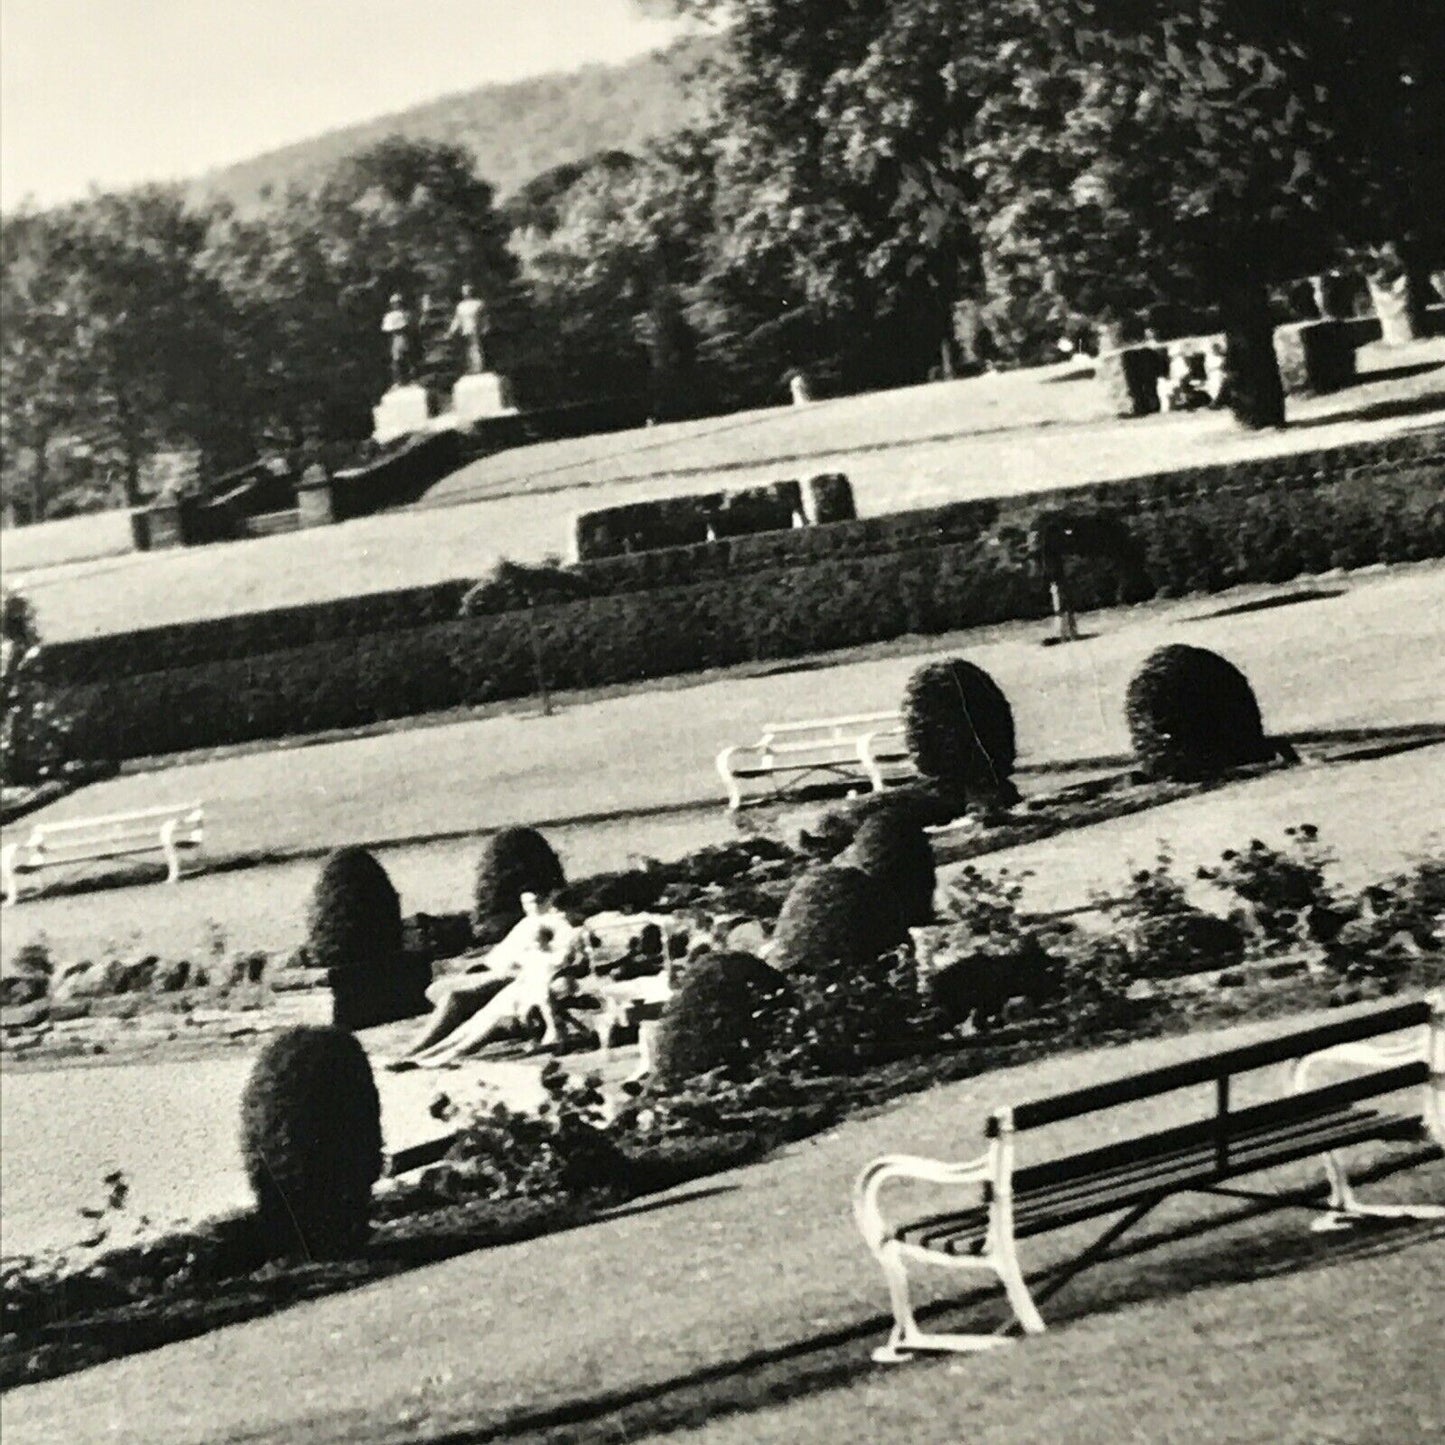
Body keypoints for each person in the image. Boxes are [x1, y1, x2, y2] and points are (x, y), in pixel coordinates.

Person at [388, 895, 580, 1068]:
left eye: (536, 901)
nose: (530, 907)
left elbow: (564, 962)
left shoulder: (561, 927)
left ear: (549, 899)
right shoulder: (528, 924)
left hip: (521, 981)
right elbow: (498, 959)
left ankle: (422, 1055)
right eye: (526, 903)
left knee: (464, 1008)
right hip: (506, 977)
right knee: (448, 997)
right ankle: (419, 1053)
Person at [447, 282, 487, 374]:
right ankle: (470, 367)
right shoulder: (460, 306)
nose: (466, 292)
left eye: (467, 290)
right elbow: (457, 320)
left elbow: (484, 318)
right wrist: (451, 332)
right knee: (467, 349)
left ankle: (478, 367)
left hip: (475, 329)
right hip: (465, 330)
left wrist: (485, 327)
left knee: (475, 347)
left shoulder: (478, 304)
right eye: (464, 290)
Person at [381, 294, 414, 386]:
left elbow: (408, 326)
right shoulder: (390, 316)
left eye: (397, 303)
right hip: (395, 338)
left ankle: (407, 378)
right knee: (397, 360)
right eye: (394, 303)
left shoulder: (404, 314)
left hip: (401, 338)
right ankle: (398, 380)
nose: (396, 305)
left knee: (404, 358)